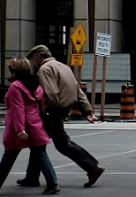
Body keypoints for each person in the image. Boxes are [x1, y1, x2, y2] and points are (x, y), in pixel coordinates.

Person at [21, 45, 104, 188]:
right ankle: (31, 177)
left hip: (54, 110)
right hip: (64, 108)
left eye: (33, 58)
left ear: (38, 56)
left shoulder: (45, 69)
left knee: (60, 144)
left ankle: (92, 167)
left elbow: (51, 94)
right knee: (39, 143)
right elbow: (78, 91)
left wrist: (42, 110)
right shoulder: (64, 67)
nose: (33, 62)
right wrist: (87, 111)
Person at [0, 57, 60, 194]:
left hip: (21, 124)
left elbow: (18, 108)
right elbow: (41, 104)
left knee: (9, 154)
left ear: (14, 71)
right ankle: (52, 183)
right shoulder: (35, 85)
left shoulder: (15, 87)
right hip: (36, 122)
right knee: (40, 153)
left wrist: (20, 128)